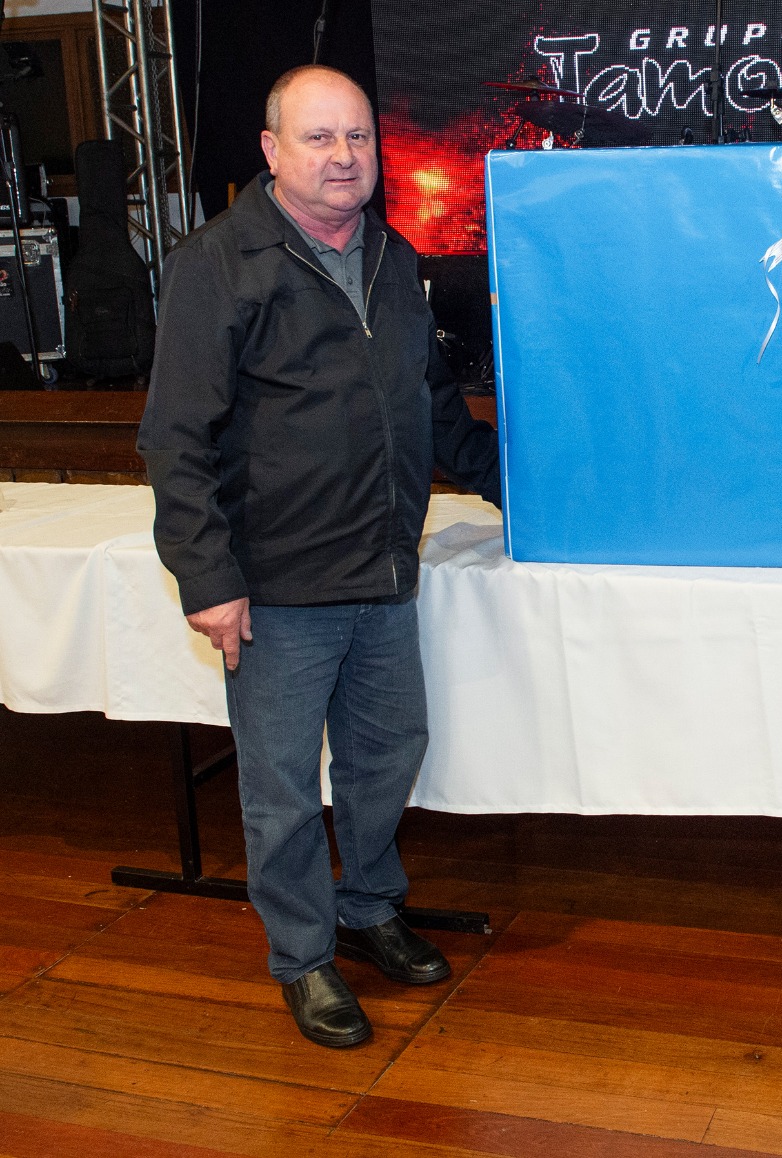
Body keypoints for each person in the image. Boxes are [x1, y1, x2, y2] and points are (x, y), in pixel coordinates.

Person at [138, 64, 501, 1048]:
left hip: (383, 574)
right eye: (319, 137)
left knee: (389, 757)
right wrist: (209, 579)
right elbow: (174, 438)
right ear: (271, 150)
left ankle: (369, 905)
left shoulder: (392, 254)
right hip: (277, 590)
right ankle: (302, 957)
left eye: (358, 138)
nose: (344, 157)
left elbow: (433, 409)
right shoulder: (218, 263)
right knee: (285, 792)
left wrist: (523, 494)